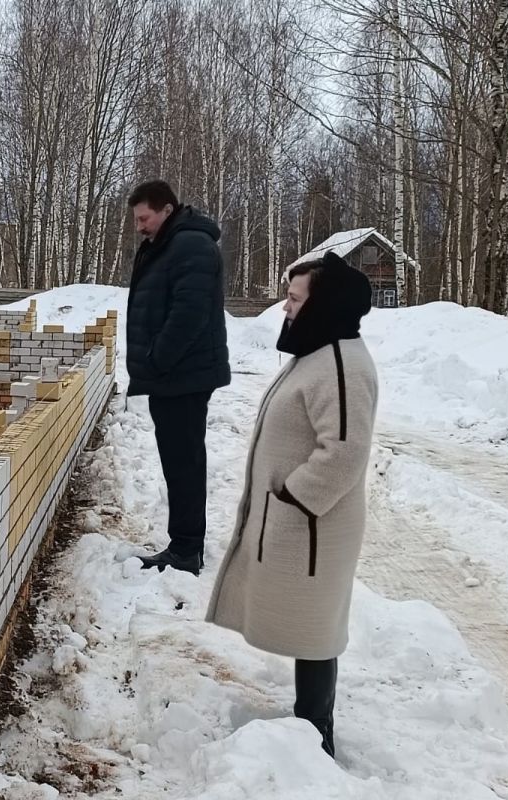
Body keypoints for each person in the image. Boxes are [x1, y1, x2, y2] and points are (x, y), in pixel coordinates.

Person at [205, 251, 378, 758]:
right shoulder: (319, 352)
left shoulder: (343, 365)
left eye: (296, 298)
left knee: (316, 629)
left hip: (315, 526)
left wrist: (295, 496)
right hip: (301, 523)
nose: (286, 307)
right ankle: (309, 726)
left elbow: (345, 451)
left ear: (324, 304)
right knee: (310, 627)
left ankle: (316, 736)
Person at [125, 179, 230, 575]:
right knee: (179, 461)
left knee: (184, 462)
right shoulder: (171, 243)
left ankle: (187, 549)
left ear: (166, 210)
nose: (139, 226)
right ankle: (184, 542)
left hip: (182, 375)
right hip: (174, 375)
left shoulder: (190, 245)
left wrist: (157, 359)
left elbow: (190, 313)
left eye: (144, 218)